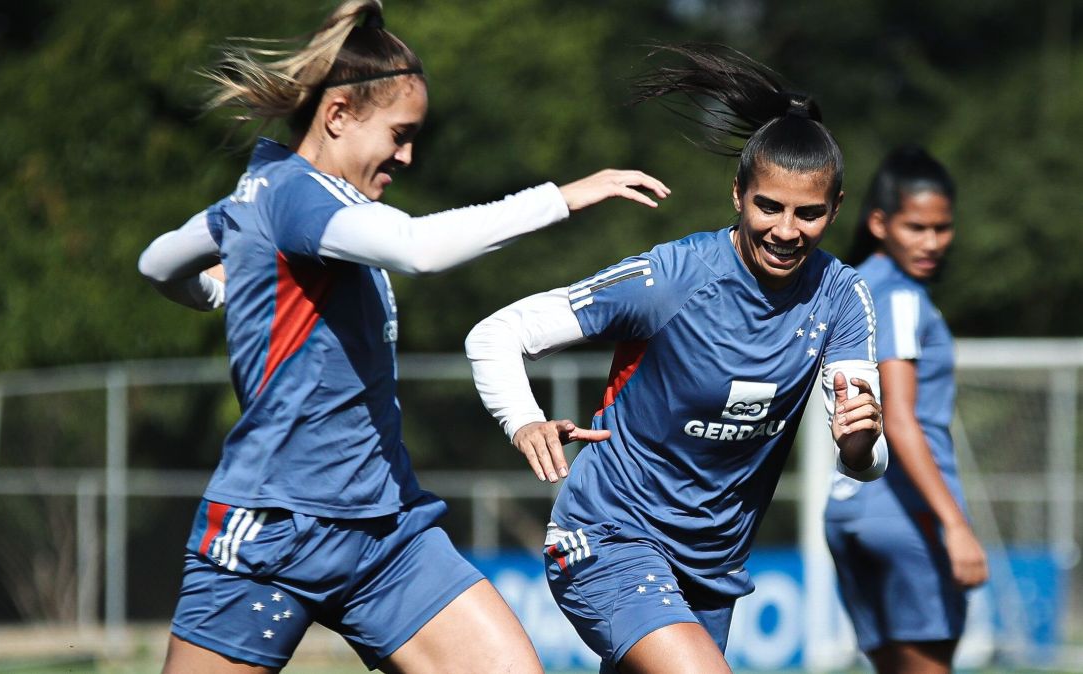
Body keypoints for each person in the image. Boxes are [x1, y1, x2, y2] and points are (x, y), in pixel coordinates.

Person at [136, 2, 669, 672]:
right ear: (337, 117)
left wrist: (221, 289)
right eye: (400, 132)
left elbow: (158, 262)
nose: (408, 154)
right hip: (275, 529)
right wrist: (564, 196)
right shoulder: (296, 196)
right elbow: (417, 248)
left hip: (384, 529)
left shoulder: (267, 194)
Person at [464, 44, 886, 674]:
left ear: (837, 208)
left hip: (711, 571)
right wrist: (523, 420)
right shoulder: (669, 279)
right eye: (768, 206)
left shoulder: (842, 296)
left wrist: (859, 443)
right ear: (737, 194)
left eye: (810, 213)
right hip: (608, 537)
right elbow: (496, 335)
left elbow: (867, 457)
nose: (787, 230)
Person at [825, 146, 988, 674]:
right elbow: (898, 418)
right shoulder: (897, 297)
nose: (932, 242)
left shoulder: (848, 285)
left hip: (848, 509)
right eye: (916, 227)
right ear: (878, 222)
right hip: (908, 516)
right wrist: (955, 524)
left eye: (942, 228)